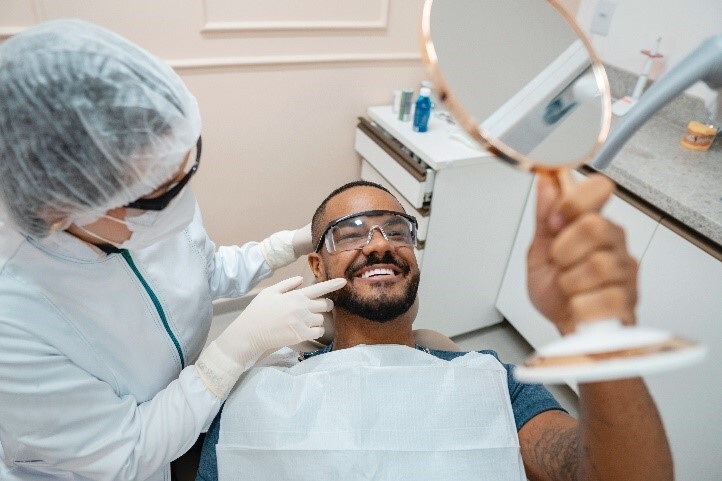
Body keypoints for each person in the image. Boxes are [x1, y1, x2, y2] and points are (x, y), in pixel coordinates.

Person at [0, 19, 346, 481]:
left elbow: (201, 269)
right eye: (161, 194)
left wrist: (286, 244)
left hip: (181, 433)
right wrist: (229, 356)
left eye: (187, 167)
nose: (181, 203)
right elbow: (125, 453)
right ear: (63, 206)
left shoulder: (142, 196)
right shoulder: (15, 320)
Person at [196, 178, 673, 481]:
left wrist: (601, 331)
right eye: (351, 232)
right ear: (318, 266)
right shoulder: (257, 388)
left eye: (396, 230)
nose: (379, 244)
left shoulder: (491, 381)